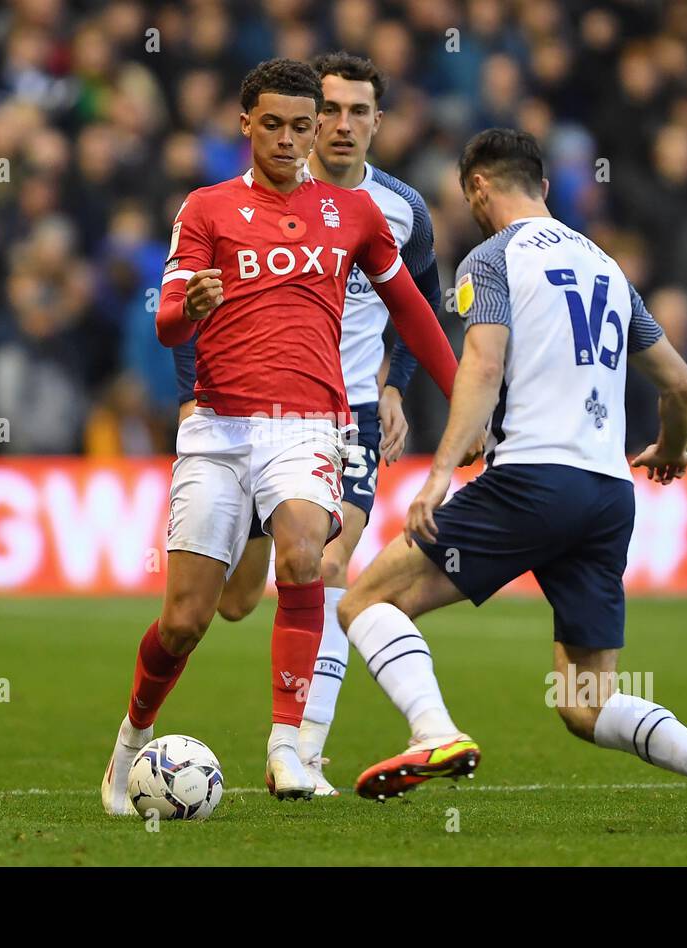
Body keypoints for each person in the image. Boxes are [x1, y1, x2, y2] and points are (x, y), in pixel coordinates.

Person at [337, 128, 687, 833]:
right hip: (605, 494)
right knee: (584, 700)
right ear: (540, 183)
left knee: (365, 602)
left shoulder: (490, 258)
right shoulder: (607, 266)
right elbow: (681, 387)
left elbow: (481, 362)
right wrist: (672, 451)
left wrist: (439, 474)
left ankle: (433, 730)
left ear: (479, 187)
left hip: (531, 480)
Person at [100, 58, 459, 814]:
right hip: (219, 429)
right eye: (276, 125)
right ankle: (130, 742)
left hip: (309, 426)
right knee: (188, 620)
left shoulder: (355, 214)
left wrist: (464, 400)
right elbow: (166, 323)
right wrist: (190, 306)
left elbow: (416, 313)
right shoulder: (204, 209)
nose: (292, 139)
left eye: (304, 125)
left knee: (306, 556)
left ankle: (287, 747)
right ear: (245, 124)